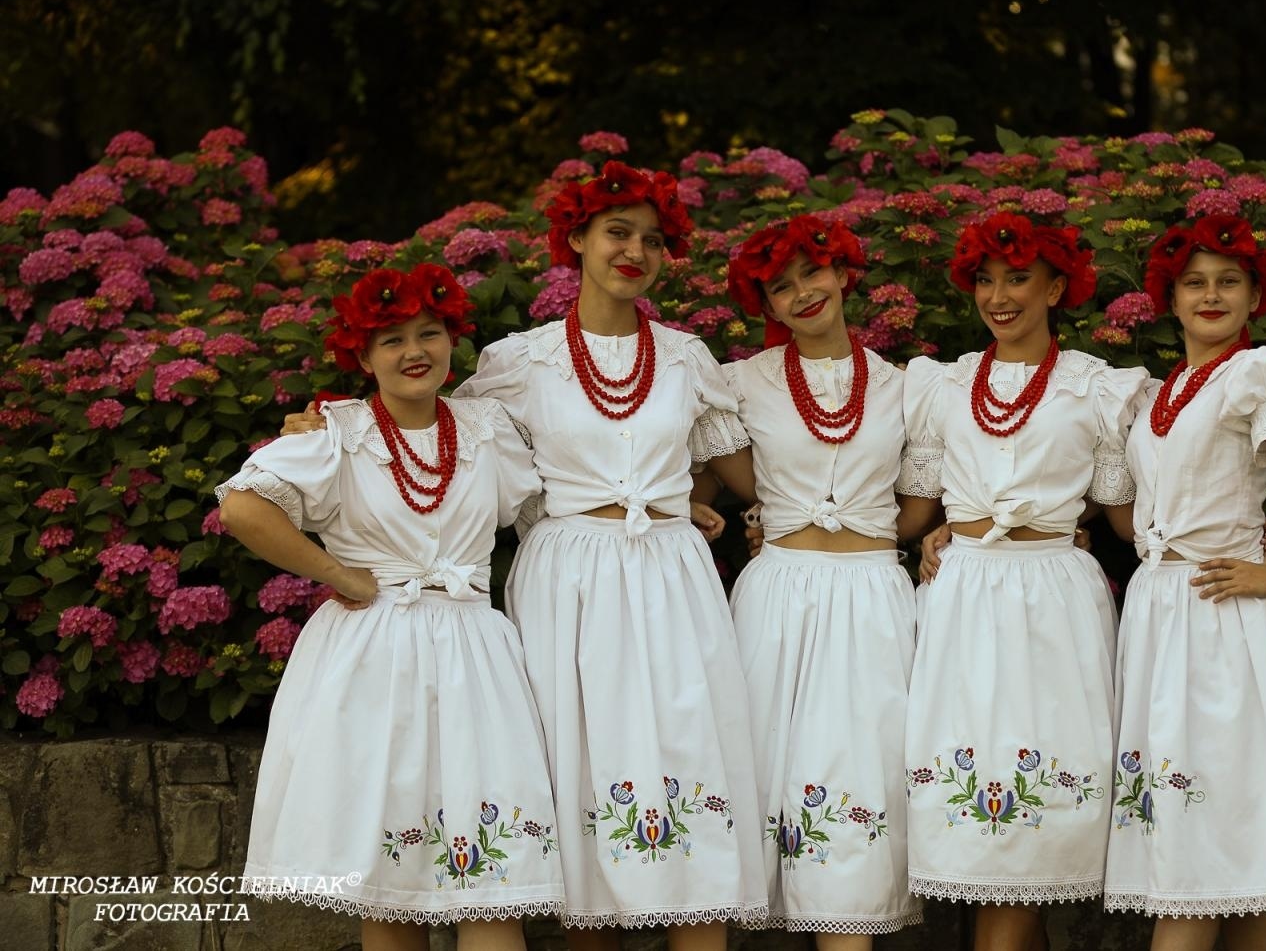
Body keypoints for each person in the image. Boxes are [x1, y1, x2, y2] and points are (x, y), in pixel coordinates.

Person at [450, 161, 767, 950]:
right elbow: (444, 448)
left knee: (689, 758)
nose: (635, 251)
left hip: (669, 571)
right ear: (577, 239)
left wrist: (942, 513)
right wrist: (327, 432)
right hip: (568, 576)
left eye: (653, 240)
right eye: (617, 233)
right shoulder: (520, 361)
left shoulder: (689, 358)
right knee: (580, 767)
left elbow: (759, 475)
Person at [217, 264, 563, 951]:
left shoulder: (487, 426)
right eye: (392, 340)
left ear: (451, 341)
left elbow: (553, 509)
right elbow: (242, 507)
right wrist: (337, 572)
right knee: (391, 887)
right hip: (377, 657)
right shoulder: (338, 434)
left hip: (474, 655)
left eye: (429, 334)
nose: (414, 352)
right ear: (363, 357)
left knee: (492, 888)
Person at [1101, 215, 1266, 950]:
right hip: (1162, 613)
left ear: (1255, 296)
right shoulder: (1167, 389)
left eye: (1228, 282)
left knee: (1203, 859)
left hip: (1223, 622)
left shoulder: (1253, 373)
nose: (1210, 295)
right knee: (1245, 876)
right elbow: (1144, 517)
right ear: (1171, 297)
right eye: (1194, 283)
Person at [895, 212, 1148, 951]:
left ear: (1057, 286)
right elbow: (912, 514)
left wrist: (1233, 531)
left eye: (1018, 278)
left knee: (1035, 835)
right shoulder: (942, 387)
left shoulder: (1097, 389)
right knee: (984, 839)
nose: (998, 296)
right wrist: (775, 525)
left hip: (1054, 603)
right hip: (964, 597)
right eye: (985, 279)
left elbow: (1130, 520)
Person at [706, 216, 926, 947]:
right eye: (781, 287)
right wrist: (719, 510)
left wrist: (946, 530)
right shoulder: (739, 384)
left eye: (814, 274)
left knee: (859, 781)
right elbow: (719, 476)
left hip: (871, 597)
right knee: (771, 776)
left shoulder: (907, 387)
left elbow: (928, 497)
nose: (803, 293)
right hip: (776, 600)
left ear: (843, 276)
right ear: (764, 307)